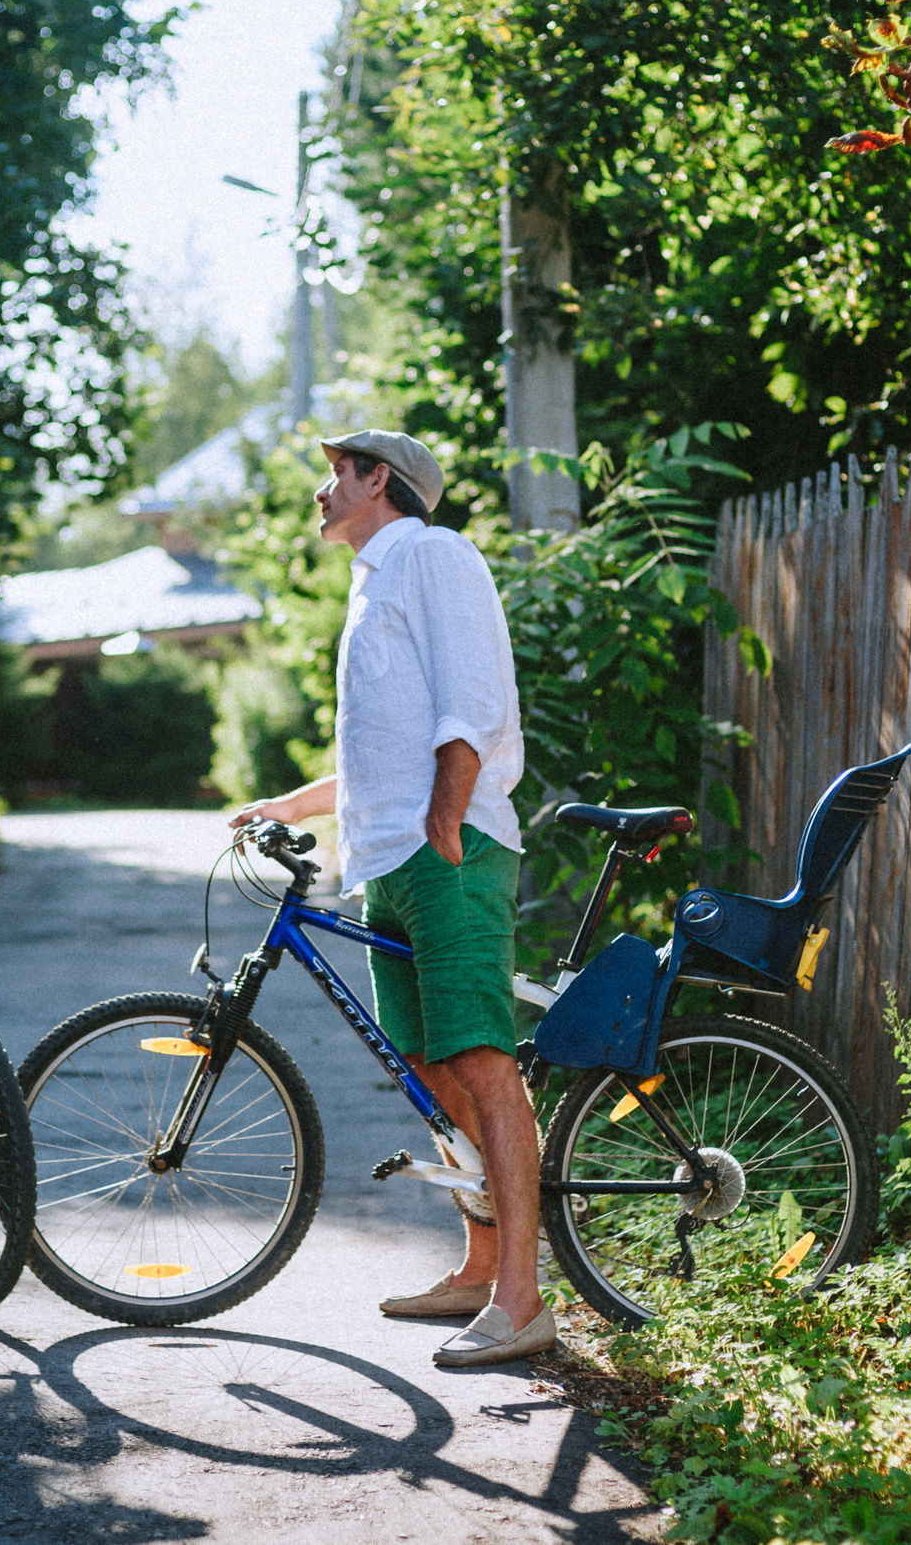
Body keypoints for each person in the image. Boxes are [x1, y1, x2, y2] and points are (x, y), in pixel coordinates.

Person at [229, 429, 550, 1368]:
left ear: (381, 480)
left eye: (338, 473)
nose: (322, 490)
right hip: (387, 860)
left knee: (482, 1062)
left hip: (448, 852)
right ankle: (478, 1268)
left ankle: (524, 1298)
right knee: (426, 1067)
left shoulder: (434, 555)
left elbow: (472, 700)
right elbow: (381, 748)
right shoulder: (372, 581)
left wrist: (447, 819)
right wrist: (293, 804)